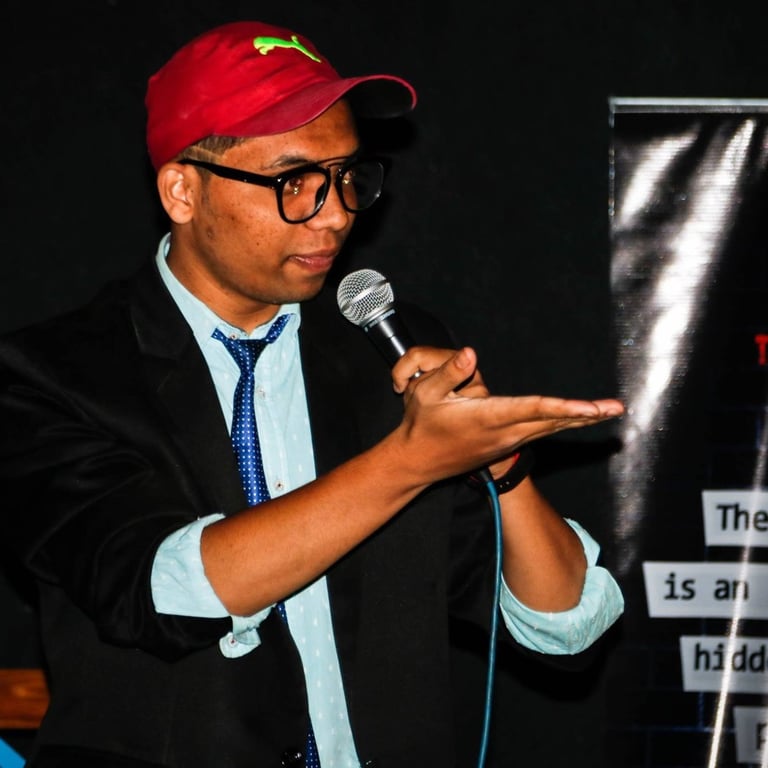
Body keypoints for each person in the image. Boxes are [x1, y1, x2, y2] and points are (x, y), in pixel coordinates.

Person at [0, 19, 625, 768]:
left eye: (349, 178)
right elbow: (162, 588)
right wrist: (409, 462)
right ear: (181, 190)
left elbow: (565, 629)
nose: (335, 214)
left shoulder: (382, 349)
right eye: (293, 182)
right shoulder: (54, 374)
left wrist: (503, 464)